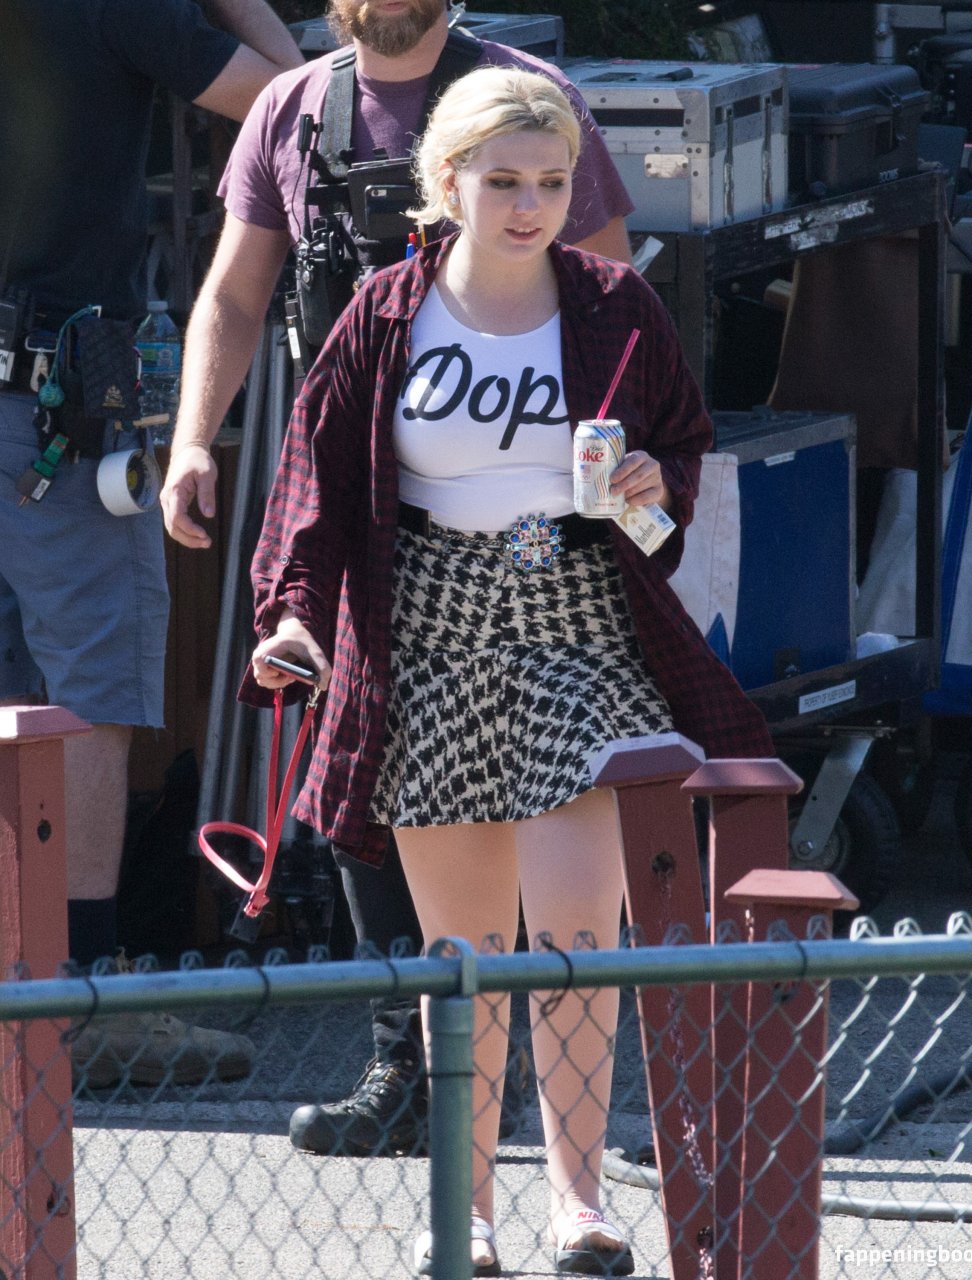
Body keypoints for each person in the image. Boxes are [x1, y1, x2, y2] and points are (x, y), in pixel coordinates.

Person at [244, 65, 773, 1277]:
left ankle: (578, 1203)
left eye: (548, 182)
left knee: (577, 927)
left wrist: (650, 483)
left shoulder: (615, 305)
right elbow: (315, 482)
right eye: (502, 182)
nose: (529, 206)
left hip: (573, 616)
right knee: (466, 952)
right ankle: (466, 1210)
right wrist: (294, 619)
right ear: (446, 183)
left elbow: (679, 450)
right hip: (424, 627)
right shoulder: (384, 311)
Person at [161, 0, 636, 1157]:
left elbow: (612, 300)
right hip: (358, 505)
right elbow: (233, 295)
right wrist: (190, 442)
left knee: (543, 784)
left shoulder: (527, 100)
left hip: (518, 523)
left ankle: (546, 1106)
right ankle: (412, 1068)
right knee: (364, 773)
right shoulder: (289, 109)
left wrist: (608, 495)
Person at [0, 0, 303, 1088]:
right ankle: (75, 999)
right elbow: (295, 100)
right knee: (90, 684)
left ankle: (22, 985)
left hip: (40, 379)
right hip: (51, 390)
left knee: (18, 687)